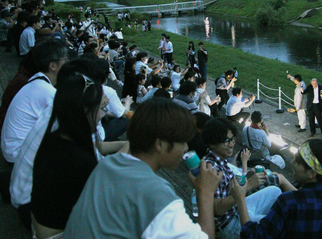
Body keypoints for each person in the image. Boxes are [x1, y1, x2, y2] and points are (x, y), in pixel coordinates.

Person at [64, 99, 224, 239]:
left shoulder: (109, 164)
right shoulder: (157, 194)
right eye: (182, 142)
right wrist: (206, 193)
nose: (186, 148)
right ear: (160, 144)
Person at [30, 73, 107, 238]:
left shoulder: (54, 138)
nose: (103, 115)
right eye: (101, 109)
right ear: (84, 111)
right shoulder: (79, 161)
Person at [238, 139, 322, 238]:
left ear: (312, 173)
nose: (292, 163)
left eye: (298, 162)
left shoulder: (287, 203)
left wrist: (240, 200)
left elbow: (254, 236)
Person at [202, 118, 282, 239]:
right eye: (226, 141)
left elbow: (228, 188)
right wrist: (249, 185)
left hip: (235, 209)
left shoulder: (218, 159)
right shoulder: (210, 168)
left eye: (232, 139)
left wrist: (248, 175)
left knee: (275, 191)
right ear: (212, 143)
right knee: (275, 226)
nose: (231, 144)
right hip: (229, 224)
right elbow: (217, 209)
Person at [1, 39, 68, 163]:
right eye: (65, 60)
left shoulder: (36, 81)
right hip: (18, 155)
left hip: (11, 149)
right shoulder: (47, 92)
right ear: (53, 66)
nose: (67, 64)